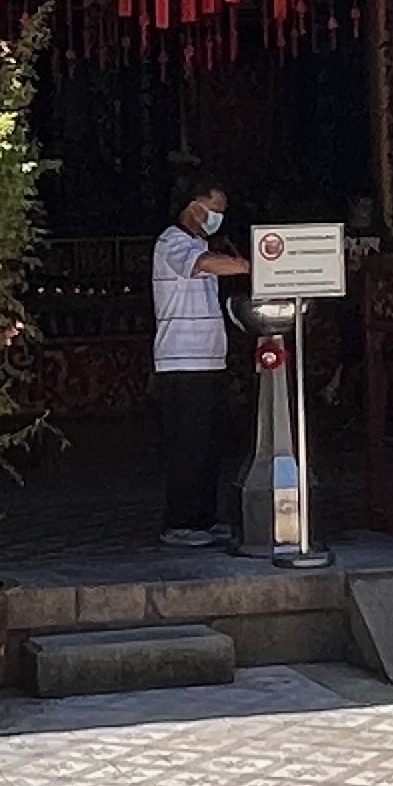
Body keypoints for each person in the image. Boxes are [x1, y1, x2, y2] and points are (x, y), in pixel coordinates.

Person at [152, 169, 249, 548]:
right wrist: (252, 265)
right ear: (194, 206)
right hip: (181, 362)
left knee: (209, 446)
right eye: (214, 209)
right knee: (188, 446)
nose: (217, 217)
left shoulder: (200, 244)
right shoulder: (172, 242)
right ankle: (178, 523)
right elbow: (206, 264)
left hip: (208, 360)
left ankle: (202, 520)